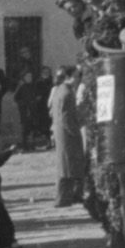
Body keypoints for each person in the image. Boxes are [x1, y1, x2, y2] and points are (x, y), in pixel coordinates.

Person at [48, 68, 86, 207]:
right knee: (67, 165)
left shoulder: (60, 90)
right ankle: (63, 198)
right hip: (67, 134)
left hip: (62, 133)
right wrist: (75, 131)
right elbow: (65, 118)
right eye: (76, 76)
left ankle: (69, 196)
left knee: (66, 165)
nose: (78, 79)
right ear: (69, 77)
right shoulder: (67, 93)